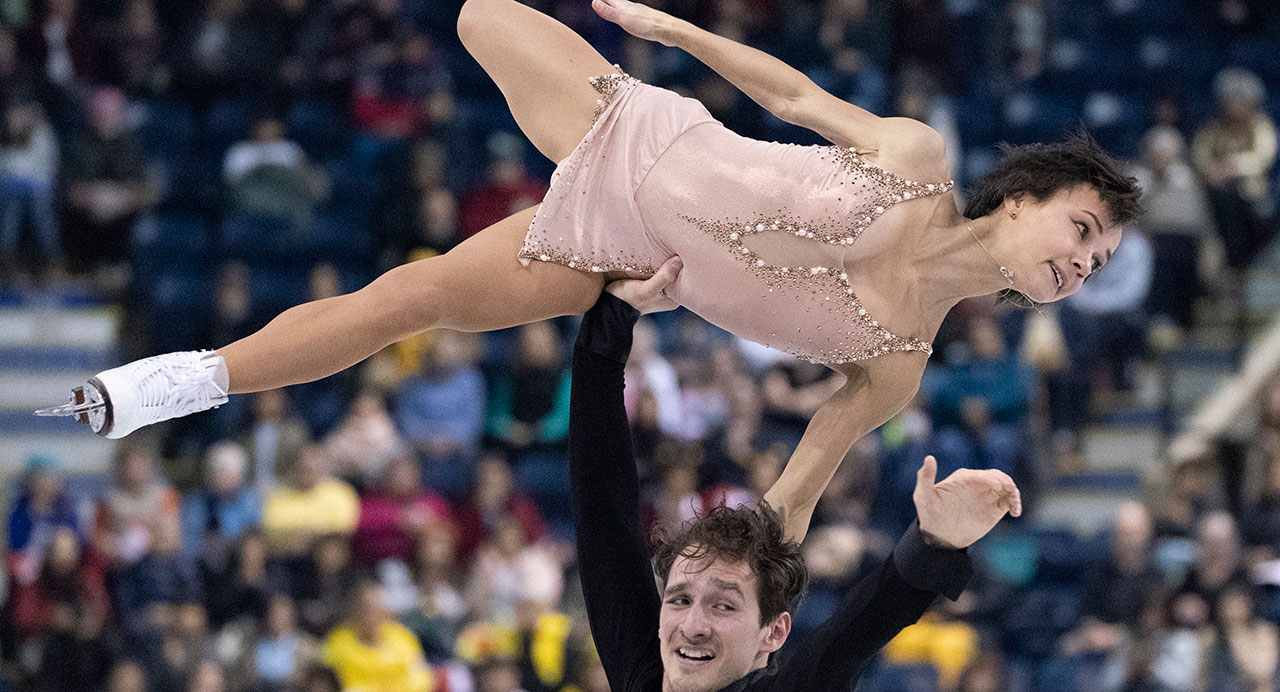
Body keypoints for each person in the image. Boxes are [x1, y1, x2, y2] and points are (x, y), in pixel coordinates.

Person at [45, 0, 1132, 530]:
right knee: (477, 10)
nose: (1083, 262)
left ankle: (176, 382)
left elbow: (790, 497)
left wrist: (758, 593)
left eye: (1101, 259)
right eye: (1081, 230)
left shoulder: (897, 365)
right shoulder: (916, 158)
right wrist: (674, 30)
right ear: (1027, 195)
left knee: (409, 299)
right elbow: (794, 96)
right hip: (636, 127)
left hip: (617, 255)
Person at [568, 270, 1020, 692]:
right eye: (680, 598)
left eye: (724, 604)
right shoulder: (644, 680)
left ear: (774, 631)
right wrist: (612, 322)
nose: (692, 626)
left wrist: (935, 541)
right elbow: (604, 515)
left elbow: (847, 644)